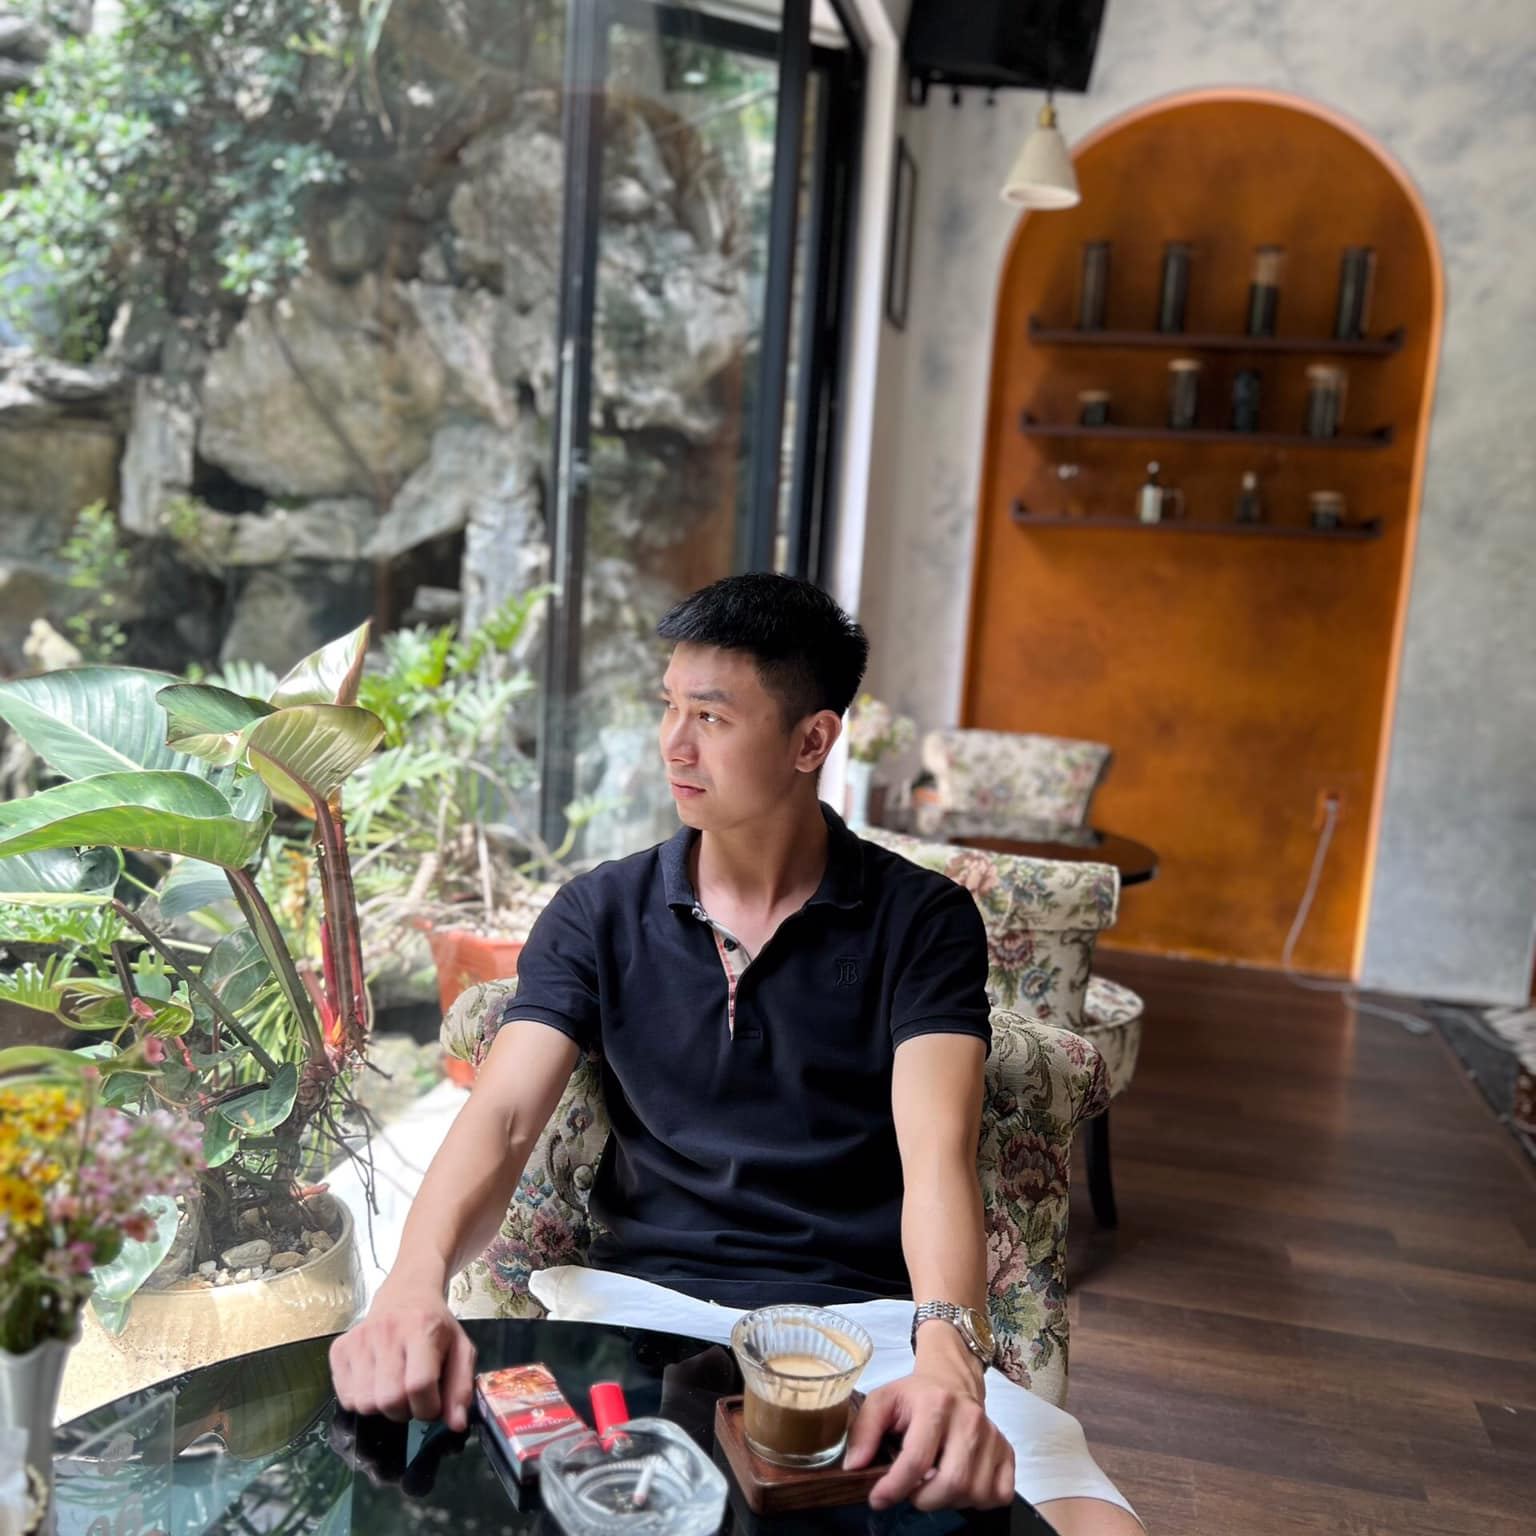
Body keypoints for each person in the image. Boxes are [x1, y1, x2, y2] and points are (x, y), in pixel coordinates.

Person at [329, 574, 1141, 1532]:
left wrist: (948, 1358)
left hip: (865, 1331)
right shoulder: (598, 913)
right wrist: (411, 1283)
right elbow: (503, 1117)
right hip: (636, 1315)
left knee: (1094, 1522)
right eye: (668, 706)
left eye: (711, 716)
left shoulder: (922, 921)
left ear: (811, 741)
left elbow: (938, 1156)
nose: (674, 743)